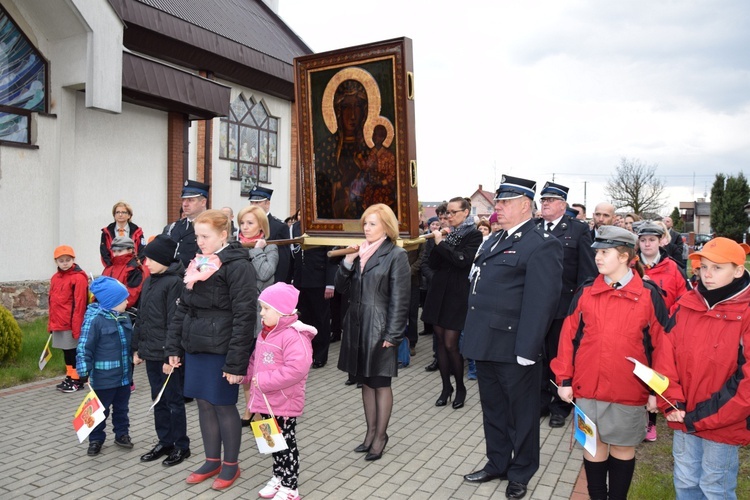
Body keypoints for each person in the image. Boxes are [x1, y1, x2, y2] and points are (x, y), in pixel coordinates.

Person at [461, 175, 563, 500]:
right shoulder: (493, 239)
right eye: (498, 202)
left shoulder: (541, 243)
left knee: (522, 415)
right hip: (486, 342)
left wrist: (528, 349)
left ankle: (521, 472)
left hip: (514, 346)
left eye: (504, 203)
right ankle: (498, 462)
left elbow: (542, 302)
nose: (498, 208)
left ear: (524, 205)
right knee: (493, 409)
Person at [551, 225, 669, 500]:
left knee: (622, 449)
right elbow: (567, 339)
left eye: (605, 252)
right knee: (593, 448)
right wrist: (565, 380)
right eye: (597, 252)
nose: (598, 258)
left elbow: (663, 347)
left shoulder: (649, 295)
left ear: (626, 256)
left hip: (628, 393)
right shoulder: (586, 293)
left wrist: (657, 391)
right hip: (587, 390)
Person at [165, 209, 256, 490]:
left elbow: (244, 316)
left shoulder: (237, 266)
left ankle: (231, 465)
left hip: (222, 349)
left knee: (223, 406)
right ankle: (212, 459)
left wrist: (236, 363)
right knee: (204, 404)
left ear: (223, 235)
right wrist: (174, 347)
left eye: (205, 236)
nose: (199, 241)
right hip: (196, 346)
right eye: (197, 236)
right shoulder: (198, 263)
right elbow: (182, 308)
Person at [654, 237, 750, 500]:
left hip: (721, 424)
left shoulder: (746, 311)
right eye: (703, 267)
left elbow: (746, 385)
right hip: (683, 415)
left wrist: (698, 417)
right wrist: (672, 402)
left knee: (714, 488)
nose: (707, 274)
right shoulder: (687, 304)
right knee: (685, 482)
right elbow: (665, 355)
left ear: (738, 270)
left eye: (717, 268)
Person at [335, 203, 410, 461]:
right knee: (365, 380)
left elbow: (401, 300)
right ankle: (369, 433)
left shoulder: (395, 255)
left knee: (380, 381)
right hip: (358, 325)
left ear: (387, 227)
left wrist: (393, 334)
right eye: (365, 223)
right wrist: (347, 261)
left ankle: (381, 436)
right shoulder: (360, 253)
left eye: (373, 224)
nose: (366, 228)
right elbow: (341, 288)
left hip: (379, 326)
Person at [243, 283, 317, 500]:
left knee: (286, 445)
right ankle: (278, 477)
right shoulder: (265, 333)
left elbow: (297, 369)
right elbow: (256, 360)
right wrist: (248, 376)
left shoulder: (294, 336)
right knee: (271, 442)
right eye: (261, 308)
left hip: (283, 403)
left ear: (282, 310)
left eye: (266, 309)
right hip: (263, 401)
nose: (261, 313)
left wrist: (263, 381)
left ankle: (290, 486)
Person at [536, 182, 597, 429]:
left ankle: (559, 407)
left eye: (550, 200)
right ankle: (541, 400)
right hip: (537, 306)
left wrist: (579, 306)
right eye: (543, 200)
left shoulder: (578, 230)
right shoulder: (532, 228)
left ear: (563, 204)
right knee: (538, 355)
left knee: (561, 357)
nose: (545, 204)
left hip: (565, 306)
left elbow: (587, 271)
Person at [132, 235, 190, 467]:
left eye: (149, 259)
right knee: (158, 399)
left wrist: (170, 356)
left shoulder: (174, 282)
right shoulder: (149, 281)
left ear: (163, 259)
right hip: (151, 352)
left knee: (174, 401)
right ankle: (165, 441)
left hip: (167, 355)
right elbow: (142, 318)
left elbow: (175, 322)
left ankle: (181, 445)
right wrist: (137, 348)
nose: (146, 263)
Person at [422, 197, 483, 410]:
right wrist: (440, 243)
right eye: (447, 212)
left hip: (457, 295)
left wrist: (441, 244)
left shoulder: (473, 235)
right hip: (438, 292)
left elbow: (461, 261)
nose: (448, 216)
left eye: (453, 212)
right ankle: (445, 387)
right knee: (439, 344)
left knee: (450, 344)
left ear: (466, 212)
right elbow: (433, 262)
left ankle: (460, 387)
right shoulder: (448, 234)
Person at [76, 276, 135, 456]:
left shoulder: (124, 317)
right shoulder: (95, 320)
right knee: (99, 410)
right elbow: (85, 345)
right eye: (123, 299)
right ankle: (95, 439)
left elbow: (130, 342)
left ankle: (122, 434)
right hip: (103, 377)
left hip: (124, 375)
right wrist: (83, 370)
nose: (127, 301)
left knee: (122, 408)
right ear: (111, 302)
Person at [237, 203, 279, 425]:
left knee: (260, 371)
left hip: (259, 319)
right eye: (242, 223)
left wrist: (256, 250)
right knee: (245, 368)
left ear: (261, 225)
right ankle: (249, 408)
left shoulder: (270, 247)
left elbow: (265, 274)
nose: (245, 227)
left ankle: (264, 418)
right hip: (240, 316)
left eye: (250, 223)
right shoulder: (235, 247)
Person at [315, 79, 371, 219]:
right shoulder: (326, 147)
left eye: (357, 106)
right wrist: (339, 185)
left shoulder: (369, 148)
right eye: (346, 107)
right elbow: (321, 190)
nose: (352, 115)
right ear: (338, 110)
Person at [291, 220, 336, 368]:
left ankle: (320, 355)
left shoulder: (322, 225)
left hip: (319, 281)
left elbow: (331, 257)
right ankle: (306, 353)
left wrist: (330, 283)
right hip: (300, 281)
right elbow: (293, 254)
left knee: (320, 319)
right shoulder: (296, 226)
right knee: (303, 320)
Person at [49, 245, 89, 393]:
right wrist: (51, 324)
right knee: (66, 352)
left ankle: (78, 380)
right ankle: (70, 376)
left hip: (71, 323)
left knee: (73, 352)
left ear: (73, 260)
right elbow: (52, 302)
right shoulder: (55, 278)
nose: (65, 263)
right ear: (56, 261)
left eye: (68, 260)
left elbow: (80, 303)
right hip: (59, 322)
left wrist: (77, 327)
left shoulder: (78, 278)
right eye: (61, 260)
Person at [248, 186, 292, 284]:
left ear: (267, 203)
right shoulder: (246, 226)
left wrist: (277, 286)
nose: (253, 205)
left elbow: (283, 262)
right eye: (251, 202)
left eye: (257, 202)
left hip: (269, 283)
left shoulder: (279, 227)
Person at [163, 180, 210, 267]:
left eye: (191, 200)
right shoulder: (174, 226)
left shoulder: (212, 227)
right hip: (173, 276)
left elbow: (208, 262)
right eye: (184, 200)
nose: (185, 204)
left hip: (196, 277)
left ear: (203, 202)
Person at [102, 236, 147, 310]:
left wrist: (110, 307)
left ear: (130, 250)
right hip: (106, 310)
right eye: (114, 251)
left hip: (123, 312)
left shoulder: (134, 269)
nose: (116, 254)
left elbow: (130, 297)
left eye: (119, 251)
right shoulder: (109, 268)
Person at [100, 201, 146, 267]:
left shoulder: (137, 231)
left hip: (133, 268)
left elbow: (142, 251)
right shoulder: (106, 232)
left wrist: (136, 265)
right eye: (117, 212)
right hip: (113, 268)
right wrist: (111, 267)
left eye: (123, 212)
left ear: (129, 215)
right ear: (114, 215)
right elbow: (104, 253)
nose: (120, 215)